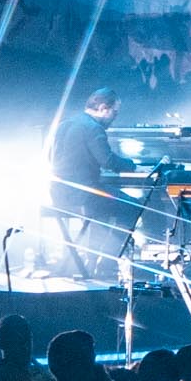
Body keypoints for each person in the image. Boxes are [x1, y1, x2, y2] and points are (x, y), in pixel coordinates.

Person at [49, 86, 142, 265]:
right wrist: (133, 165)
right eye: (114, 112)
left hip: (58, 193)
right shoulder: (93, 128)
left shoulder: (64, 124)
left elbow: (51, 158)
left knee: (104, 207)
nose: (115, 118)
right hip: (83, 194)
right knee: (133, 205)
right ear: (103, 109)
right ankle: (110, 258)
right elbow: (108, 161)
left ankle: (93, 260)